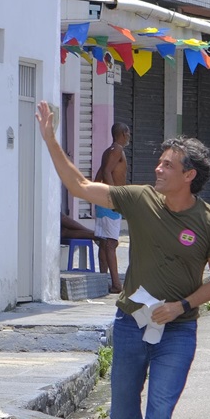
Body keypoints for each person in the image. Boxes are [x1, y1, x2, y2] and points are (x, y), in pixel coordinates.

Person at [35, 101, 210, 419]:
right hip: (131, 324)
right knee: (123, 413)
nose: (157, 169)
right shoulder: (140, 199)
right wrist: (50, 140)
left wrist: (181, 305)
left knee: (158, 415)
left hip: (177, 331)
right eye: (159, 163)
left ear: (189, 175)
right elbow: (81, 185)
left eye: (167, 165)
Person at [93, 122, 130, 294]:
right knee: (111, 243)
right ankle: (116, 283)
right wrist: (115, 196)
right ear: (123, 133)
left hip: (104, 201)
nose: (129, 136)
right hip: (110, 202)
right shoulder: (117, 150)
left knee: (104, 242)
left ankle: (102, 281)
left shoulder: (109, 151)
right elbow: (107, 172)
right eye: (128, 133)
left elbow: (99, 175)